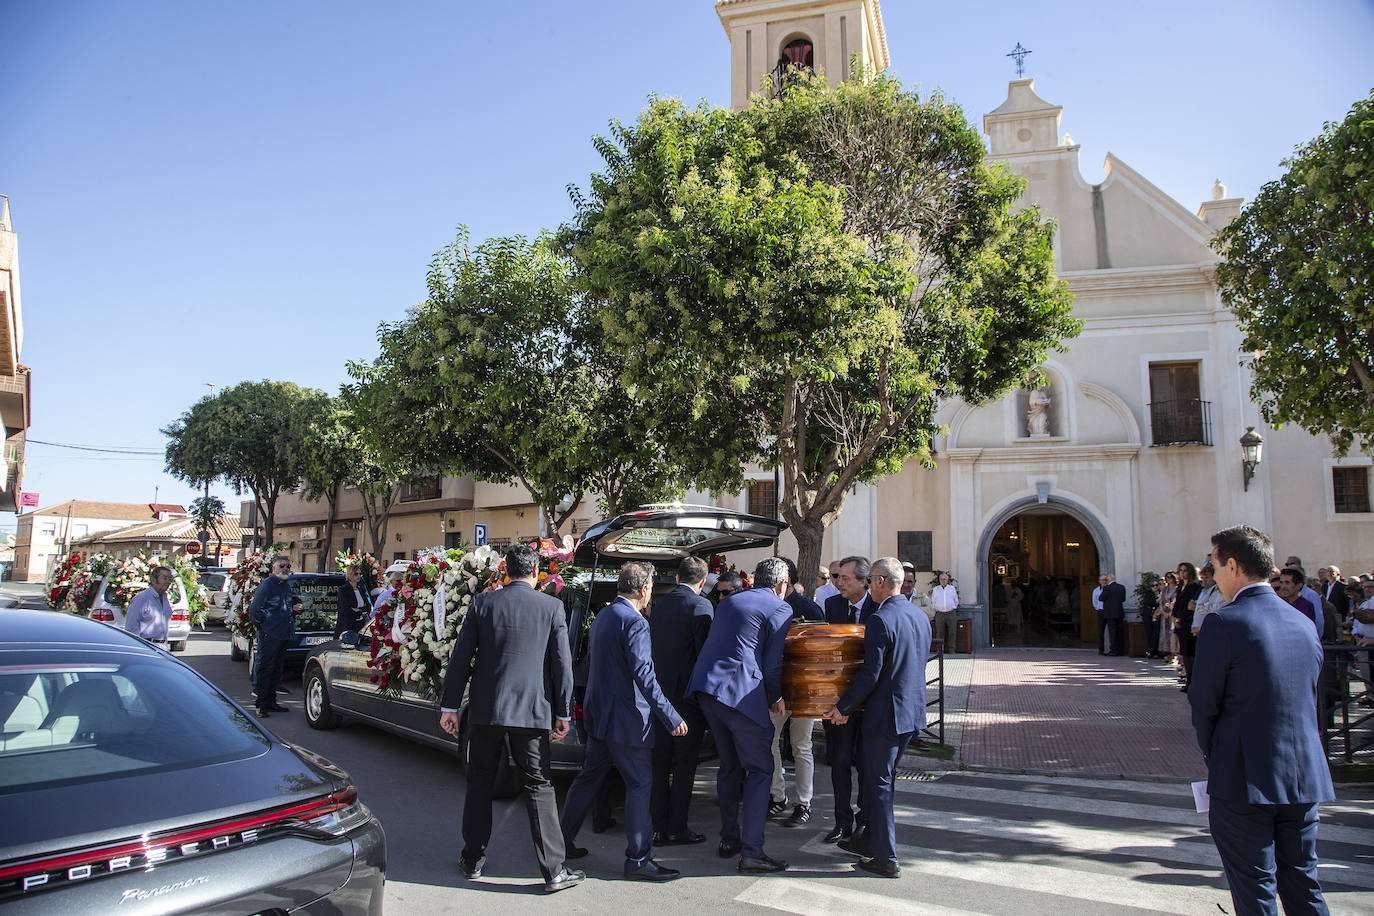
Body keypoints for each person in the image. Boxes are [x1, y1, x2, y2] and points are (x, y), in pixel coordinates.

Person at [1190, 526, 1334, 916]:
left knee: (1255, 889)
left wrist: (1215, 756)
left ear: (1233, 565)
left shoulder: (1224, 623)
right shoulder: (1302, 622)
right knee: (1303, 881)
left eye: (1214, 564)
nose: (1213, 573)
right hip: (1303, 774)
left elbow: (1204, 707)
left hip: (1244, 775)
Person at [438, 545, 582, 895]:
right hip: (533, 712)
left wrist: (449, 707)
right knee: (539, 786)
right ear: (536, 574)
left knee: (480, 782)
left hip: (487, 710)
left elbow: (460, 660)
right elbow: (562, 666)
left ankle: (472, 859)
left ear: (506, 572)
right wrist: (563, 713)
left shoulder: (483, 604)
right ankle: (553, 871)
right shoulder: (552, 607)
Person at [562, 562, 686, 882]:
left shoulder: (604, 615)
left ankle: (559, 843)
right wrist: (670, 715)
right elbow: (644, 675)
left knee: (588, 778)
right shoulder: (635, 622)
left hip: (599, 714)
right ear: (644, 590)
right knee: (640, 786)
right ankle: (638, 859)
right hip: (627, 720)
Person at [823, 556, 931, 878]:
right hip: (910, 713)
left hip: (886, 715)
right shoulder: (919, 616)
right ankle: (870, 840)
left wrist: (842, 707)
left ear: (881, 582)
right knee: (883, 780)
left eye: (870, 580)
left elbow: (871, 673)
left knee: (879, 783)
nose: (869, 586)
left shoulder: (882, 619)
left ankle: (886, 857)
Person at [686, 556, 794, 873]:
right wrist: (775, 696)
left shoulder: (732, 600)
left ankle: (729, 837)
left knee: (729, 766)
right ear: (782, 584)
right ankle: (753, 852)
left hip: (708, 689)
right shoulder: (780, 607)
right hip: (740, 694)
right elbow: (772, 662)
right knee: (761, 769)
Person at [648, 556, 713, 846]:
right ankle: (677, 827)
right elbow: (705, 658)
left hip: (659, 697)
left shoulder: (659, 606)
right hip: (687, 699)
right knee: (685, 765)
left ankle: (658, 827)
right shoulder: (702, 606)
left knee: (660, 763)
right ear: (702, 582)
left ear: (676, 579)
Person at [822, 555, 877, 846]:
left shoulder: (877, 608)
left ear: (864, 582)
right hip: (839, 700)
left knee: (866, 764)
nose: (839, 583)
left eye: (845, 579)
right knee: (839, 761)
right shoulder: (832, 605)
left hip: (868, 701)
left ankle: (864, 820)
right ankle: (841, 821)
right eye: (837, 578)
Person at [249, 556, 302, 718]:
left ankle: (272, 702)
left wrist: (295, 609)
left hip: (283, 633)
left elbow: (283, 608)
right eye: (282, 566)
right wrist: (263, 628)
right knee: (267, 669)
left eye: (288, 566)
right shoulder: (268, 585)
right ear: (274, 568)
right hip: (270, 634)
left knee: (277, 670)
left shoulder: (285, 585)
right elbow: (255, 610)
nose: (285, 569)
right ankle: (261, 705)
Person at [125, 565, 175, 647]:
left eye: (169, 579)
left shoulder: (165, 598)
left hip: (163, 645)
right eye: (164, 578)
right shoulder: (142, 598)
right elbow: (131, 627)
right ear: (153, 580)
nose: (168, 582)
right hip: (147, 645)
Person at [1174, 562, 1202, 692]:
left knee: (1191, 653)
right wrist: (1175, 617)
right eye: (1181, 571)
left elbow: (1190, 605)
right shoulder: (1180, 586)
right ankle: (1188, 679)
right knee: (1184, 653)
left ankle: (1193, 681)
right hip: (1179, 622)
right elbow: (1178, 603)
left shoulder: (1194, 586)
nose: (1183, 573)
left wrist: (1181, 618)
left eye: (1185, 570)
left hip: (1188, 621)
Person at [1277, 568, 1321, 638]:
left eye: (1287, 582)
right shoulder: (1281, 604)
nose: (1283, 587)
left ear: (1299, 586)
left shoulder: (1306, 606)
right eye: (1281, 582)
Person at [334, 563, 371, 637]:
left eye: (360, 574)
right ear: (350, 574)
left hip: (360, 626)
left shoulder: (361, 589)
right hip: (347, 626)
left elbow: (368, 606)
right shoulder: (344, 590)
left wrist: (358, 610)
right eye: (356, 574)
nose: (358, 576)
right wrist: (359, 611)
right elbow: (345, 609)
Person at [1190, 564, 1224, 638]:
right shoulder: (1203, 591)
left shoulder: (1218, 592)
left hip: (1209, 631)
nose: (1204, 581)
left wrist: (1198, 607)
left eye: (1207, 578)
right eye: (1202, 578)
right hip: (1198, 631)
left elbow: (1216, 609)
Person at [930, 572, 958, 654]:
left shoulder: (952, 589)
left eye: (945, 579)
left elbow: (956, 600)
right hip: (940, 614)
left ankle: (952, 649)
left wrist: (952, 607)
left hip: (951, 613)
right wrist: (937, 608)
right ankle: (940, 650)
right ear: (939, 580)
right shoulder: (936, 589)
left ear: (947, 580)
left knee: (952, 632)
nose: (943, 580)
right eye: (942, 579)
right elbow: (933, 601)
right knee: (940, 632)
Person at [1099, 574, 1127, 656]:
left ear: (1108, 580)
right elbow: (1123, 599)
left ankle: (1113, 650)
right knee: (1120, 632)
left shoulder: (1107, 588)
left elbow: (1101, 598)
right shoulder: (1121, 587)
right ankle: (1121, 650)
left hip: (1110, 613)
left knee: (1112, 632)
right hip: (1119, 612)